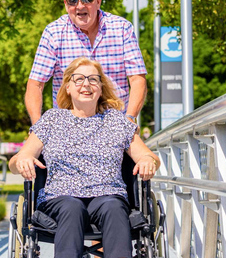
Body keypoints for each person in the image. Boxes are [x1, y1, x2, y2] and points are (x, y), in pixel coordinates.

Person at [10, 57, 160, 258]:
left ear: (100, 87)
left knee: (114, 207)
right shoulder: (52, 120)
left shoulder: (116, 120)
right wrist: (22, 160)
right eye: (79, 79)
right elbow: (15, 162)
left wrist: (147, 161)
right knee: (72, 207)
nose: (86, 84)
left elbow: (148, 156)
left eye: (93, 79)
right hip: (61, 198)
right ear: (68, 87)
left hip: (107, 195)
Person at [26, 0, 147, 125]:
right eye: (73, 1)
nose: (79, 6)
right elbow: (35, 84)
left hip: (114, 128)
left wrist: (129, 120)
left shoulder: (122, 29)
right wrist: (38, 128)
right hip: (68, 130)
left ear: (98, 1)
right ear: (65, 4)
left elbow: (138, 79)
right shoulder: (53, 33)